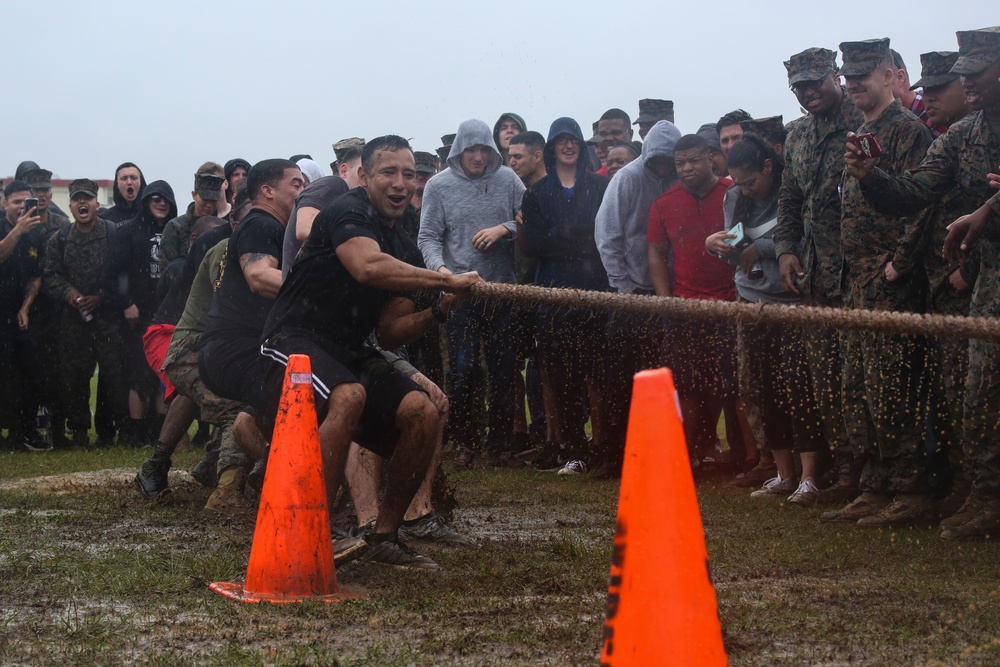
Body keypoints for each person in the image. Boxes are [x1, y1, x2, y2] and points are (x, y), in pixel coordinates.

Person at [259, 135, 480, 568]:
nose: (401, 184)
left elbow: (391, 331)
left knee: (424, 411)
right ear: (364, 176)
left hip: (348, 350)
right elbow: (366, 265)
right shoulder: (348, 210)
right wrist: (443, 280)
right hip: (291, 341)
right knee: (349, 395)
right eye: (388, 173)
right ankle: (311, 533)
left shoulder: (404, 245)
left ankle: (384, 536)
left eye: (409, 174)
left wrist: (440, 310)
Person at [857, 27, 1000, 539]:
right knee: (979, 391)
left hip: (978, 278)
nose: (966, 81)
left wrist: (989, 209)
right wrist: (873, 176)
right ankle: (984, 497)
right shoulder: (963, 136)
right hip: (991, 283)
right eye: (962, 72)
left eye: (975, 71)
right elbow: (914, 192)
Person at [817, 37, 935, 528]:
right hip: (854, 279)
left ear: (890, 76)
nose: (856, 82)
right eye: (851, 75)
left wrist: (900, 262)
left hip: (889, 279)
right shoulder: (855, 129)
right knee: (858, 387)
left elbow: (922, 201)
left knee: (895, 388)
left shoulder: (908, 131)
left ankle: (910, 489)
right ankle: (872, 484)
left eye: (867, 73)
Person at [704, 135, 824, 505]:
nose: (745, 189)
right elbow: (735, 254)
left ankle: (810, 477)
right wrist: (713, 245)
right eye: (738, 182)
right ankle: (782, 472)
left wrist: (766, 248)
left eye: (751, 181)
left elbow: (807, 240)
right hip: (751, 302)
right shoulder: (734, 198)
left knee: (799, 387)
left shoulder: (792, 193)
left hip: (792, 302)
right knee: (764, 387)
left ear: (769, 168)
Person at [773, 46, 865, 500]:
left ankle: (874, 477)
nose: (809, 93)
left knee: (861, 379)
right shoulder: (799, 137)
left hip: (858, 274)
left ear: (836, 76)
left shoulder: (865, 124)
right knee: (826, 379)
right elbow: (789, 200)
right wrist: (786, 250)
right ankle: (843, 474)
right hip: (814, 278)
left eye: (816, 82)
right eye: (800, 87)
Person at [418, 119, 525, 466]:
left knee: (504, 368)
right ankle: (465, 441)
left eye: (483, 150)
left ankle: (501, 445)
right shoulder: (438, 186)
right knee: (463, 369)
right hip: (460, 292)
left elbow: (527, 219)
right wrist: (443, 272)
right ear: (459, 151)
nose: (478, 157)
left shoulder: (508, 179)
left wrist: (502, 229)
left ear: (492, 150)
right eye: (471, 150)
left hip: (502, 290)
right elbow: (428, 237)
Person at [198, 160, 304, 501]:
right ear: (268, 191)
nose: (302, 192)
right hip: (234, 350)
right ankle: (283, 479)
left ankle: (268, 468)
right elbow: (259, 276)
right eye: (296, 184)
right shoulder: (261, 223)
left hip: (239, 349)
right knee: (304, 399)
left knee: (281, 405)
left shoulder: (277, 228)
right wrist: (318, 291)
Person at [647, 133, 744, 469]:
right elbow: (656, 254)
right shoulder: (664, 203)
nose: (686, 168)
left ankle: (745, 458)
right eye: (680, 163)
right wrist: (665, 302)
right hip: (684, 305)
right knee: (684, 384)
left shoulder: (734, 193)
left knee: (734, 386)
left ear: (710, 159)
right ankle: (684, 455)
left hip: (732, 303)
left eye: (693, 161)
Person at [521, 118, 610, 474]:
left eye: (574, 140)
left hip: (597, 292)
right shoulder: (537, 194)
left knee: (600, 373)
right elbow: (535, 245)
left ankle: (604, 446)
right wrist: (579, 237)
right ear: (552, 148)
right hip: (554, 294)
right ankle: (574, 448)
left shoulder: (601, 187)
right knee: (561, 374)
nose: (569, 146)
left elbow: (603, 236)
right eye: (562, 140)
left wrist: (563, 232)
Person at [594, 120, 682, 478]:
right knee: (620, 379)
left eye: (668, 160)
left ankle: (657, 454)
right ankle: (613, 456)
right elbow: (607, 233)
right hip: (630, 292)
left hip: (669, 292)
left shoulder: (680, 177)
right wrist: (623, 286)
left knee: (662, 379)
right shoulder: (628, 178)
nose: (663, 166)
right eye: (658, 160)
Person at [42, 179, 126, 449]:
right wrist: (69, 293)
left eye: (87, 199)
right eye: (77, 199)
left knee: (112, 376)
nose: (82, 203)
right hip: (74, 320)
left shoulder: (113, 234)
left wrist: (101, 297)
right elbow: (50, 275)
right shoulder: (61, 239)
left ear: (96, 204)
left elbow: (124, 273)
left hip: (107, 318)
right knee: (75, 377)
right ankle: (78, 431)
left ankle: (107, 432)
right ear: (70, 205)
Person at [102, 180, 178, 447]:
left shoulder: (176, 230)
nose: (160, 203)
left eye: (165, 199)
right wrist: (126, 304)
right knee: (138, 376)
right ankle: (136, 434)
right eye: (154, 198)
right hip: (137, 318)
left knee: (163, 374)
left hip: (168, 316)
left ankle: (158, 434)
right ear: (145, 202)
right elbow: (110, 275)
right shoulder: (128, 231)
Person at [21, 167, 70, 446]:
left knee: (57, 372)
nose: (40, 195)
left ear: (51, 193)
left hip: (55, 310)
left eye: (44, 190)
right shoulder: (13, 224)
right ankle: (24, 428)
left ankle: (58, 430)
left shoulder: (62, 226)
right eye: (35, 191)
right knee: (27, 371)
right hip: (24, 309)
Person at [0, 181, 47, 451]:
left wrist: (25, 307)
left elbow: (35, 277)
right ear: (5, 203)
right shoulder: (12, 228)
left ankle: (24, 431)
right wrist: (17, 231)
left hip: (19, 314)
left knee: (31, 372)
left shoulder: (34, 236)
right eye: (16, 202)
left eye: (25, 202)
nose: (21, 207)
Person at [159, 164, 225, 270]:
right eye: (205, 199)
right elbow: (166, 269)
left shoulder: (224, 228)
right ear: (194, 195)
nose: (209, 205)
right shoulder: (176, 227)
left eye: (213, 200)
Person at [595, 109, 634, 176]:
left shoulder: (645, 169)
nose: (609, 138)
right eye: (603, 134)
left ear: (630, 134)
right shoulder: (597, 179)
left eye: (615, 133)